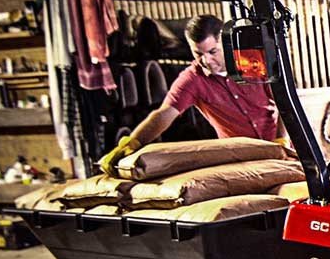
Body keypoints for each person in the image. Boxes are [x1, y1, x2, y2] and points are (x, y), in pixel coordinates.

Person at [99, 14, 286, 174]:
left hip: (281, 147)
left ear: (225, 42)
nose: (207, 60)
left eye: (213, 51)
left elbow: (284, 103)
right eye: (198, 54)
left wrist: (281, 139)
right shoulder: (192, 79)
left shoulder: (254, 60)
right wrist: (132, 143)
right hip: (240, 158)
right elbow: (164, 114)